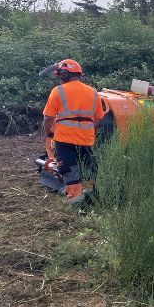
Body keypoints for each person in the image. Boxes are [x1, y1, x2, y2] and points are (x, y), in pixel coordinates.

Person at [41, 59, 103, 203]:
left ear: (64, 75)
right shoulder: (93, 92)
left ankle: (75, 198)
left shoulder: (58, 91)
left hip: (64, 138)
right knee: (87, 165)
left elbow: (48, 117)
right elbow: (98, 118)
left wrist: (48, 132)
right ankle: (89, 195)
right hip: (86, 139)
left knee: (69, 168)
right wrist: (87, 130)